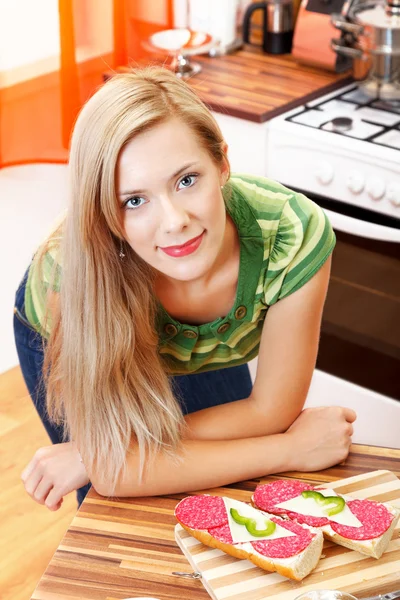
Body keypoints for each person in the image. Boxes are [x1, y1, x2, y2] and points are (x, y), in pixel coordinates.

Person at [14, 67, 356, 512]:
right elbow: (116, 471)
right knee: (120, 511)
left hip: (207, 345)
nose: (174, 221)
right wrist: (291, 449)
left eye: (186, 180)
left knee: (229, 488)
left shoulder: (291, 235)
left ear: (222, 165)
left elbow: (270, 413)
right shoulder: (69, 272)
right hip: (78, 315)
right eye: (134, 201)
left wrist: (114, 454)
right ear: (105, 214)